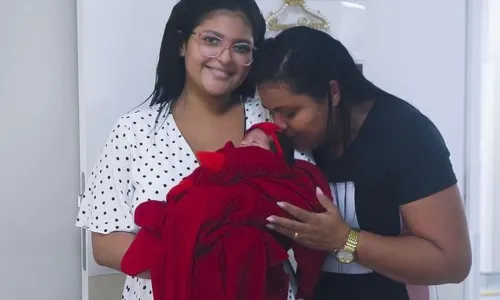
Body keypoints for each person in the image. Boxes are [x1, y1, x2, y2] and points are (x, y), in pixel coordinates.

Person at [75, 1, 309, 299]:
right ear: (182, 44)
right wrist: (209, 268)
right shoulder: (134, 131)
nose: (225, 58)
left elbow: (305, 214)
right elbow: (104, 245)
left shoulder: (271, 118)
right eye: (211, 40)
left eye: (241, 47)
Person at [251, 26, 472, 300]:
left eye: (290, 112)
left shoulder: (405, 134)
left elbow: (453, 262)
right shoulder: (287, 143)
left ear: (333, 92)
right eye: (271, 112)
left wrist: (344, 239)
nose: (279, 124)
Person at [120, 122, 330, 300]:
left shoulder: (282, 180)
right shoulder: (133, 129)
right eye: (244, 142)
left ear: (277, 154)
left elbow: (308, 234)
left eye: (254, 143)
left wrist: (306, 285)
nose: (244, 146)